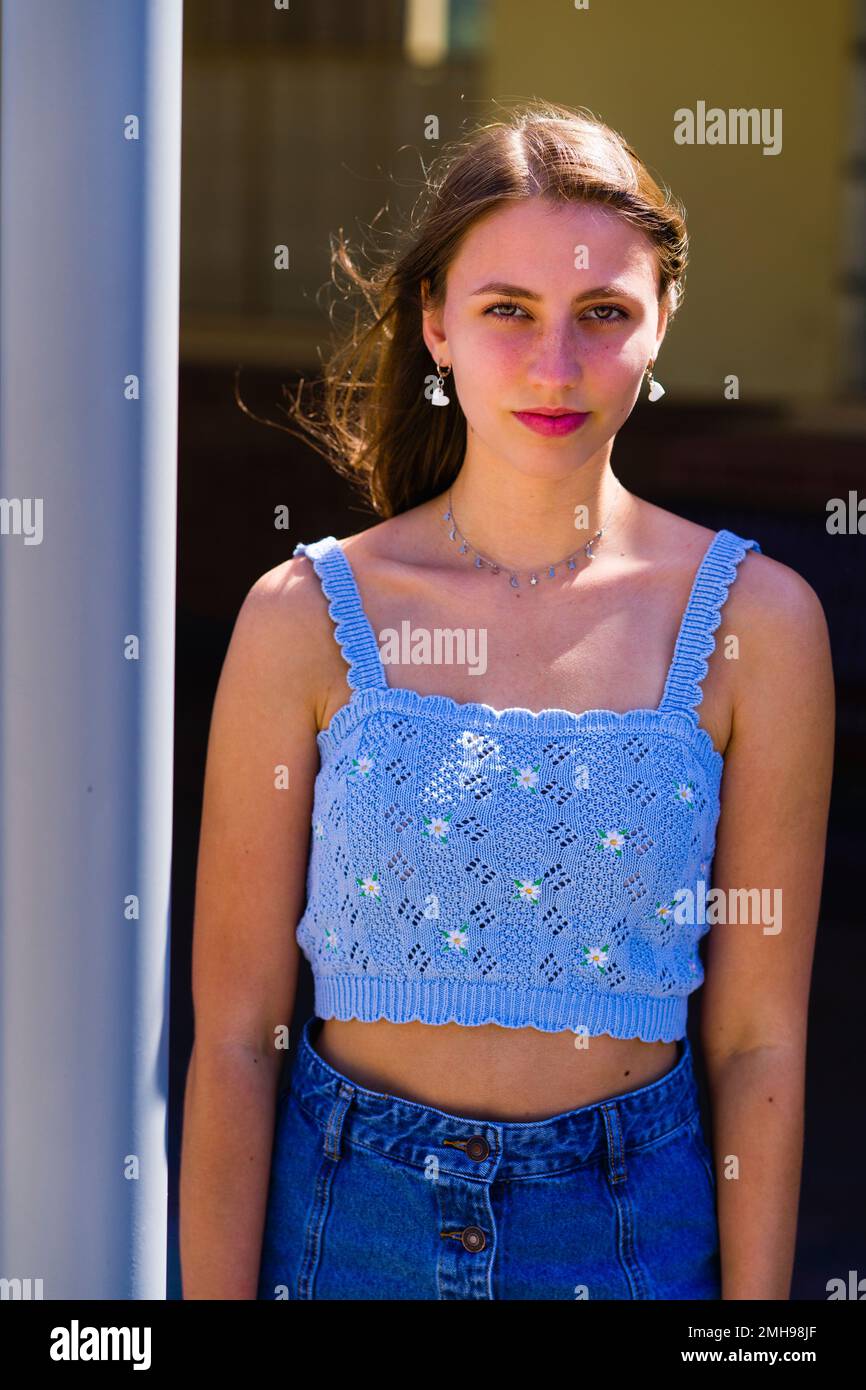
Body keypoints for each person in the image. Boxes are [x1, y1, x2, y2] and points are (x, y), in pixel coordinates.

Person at [179, 101, 834, 1301]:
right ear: (434, 322)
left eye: (601, 315)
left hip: (631, 1237)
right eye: (506, 312)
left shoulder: (758, 623)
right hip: (341, 1231)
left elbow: (756, 1044)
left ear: (661, 321)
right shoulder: (302, 615)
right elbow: (233, 1037)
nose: (553, 365)